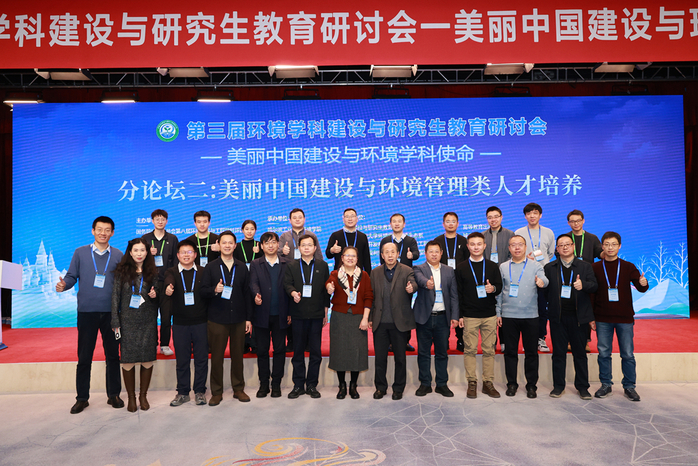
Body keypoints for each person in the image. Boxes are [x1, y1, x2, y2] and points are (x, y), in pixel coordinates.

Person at [56, 216, 125, 414]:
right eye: (99, 229)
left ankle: (114, 395)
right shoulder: (80, 252)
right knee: (84, 356)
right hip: (87, 312)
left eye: (107, 230)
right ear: (93, 231)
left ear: (112, 233)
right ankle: (82, 398)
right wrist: (64, 285)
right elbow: (71, 276)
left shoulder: (118, 254)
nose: (103, 233)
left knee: (113, 356)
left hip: (112, 313)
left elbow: (124, 282)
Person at [592, 231, 649, 402]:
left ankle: (629, 386)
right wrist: (591, 318)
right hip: (602, 318)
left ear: (620, 246)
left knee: (627, 354)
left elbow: (641, 288)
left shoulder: (628, 266)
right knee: (604, 353)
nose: (610, 247)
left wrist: (644, 283)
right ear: (602, 247)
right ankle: (606, 384)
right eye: (607, 244)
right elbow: (591, 294)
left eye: (614, 244)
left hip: (624, 318)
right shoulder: (595, 267)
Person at [200, 231, 253, 406]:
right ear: (219, 245)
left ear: (235, 245)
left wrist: (248, 318)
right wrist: (214, 290)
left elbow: (247, 294)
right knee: (217, 357)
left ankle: (238, 389)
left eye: (231, 243)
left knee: (238, 356)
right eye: (224, 243)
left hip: (238, 318)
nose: (228, 245)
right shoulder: (211, 267)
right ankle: (216, 392)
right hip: (217, 318)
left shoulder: (242, 267)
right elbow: (203, 291)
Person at [544, 234, 598, 400]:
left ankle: (582, 387)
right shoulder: (550, 267)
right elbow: (545, 292)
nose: (565, 247)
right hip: (558, 318)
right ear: (557, 249)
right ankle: (558, 386)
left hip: (579, 318)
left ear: (573, 246)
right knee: (558, 354)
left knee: (580, 354)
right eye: (561, 245)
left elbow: (594, 286)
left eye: (568, 244)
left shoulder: (585, 266)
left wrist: (584, 285)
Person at [496, 235, 548, 398]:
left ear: (525, 247)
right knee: (510, 352)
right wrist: (498, 312)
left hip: (530, 315)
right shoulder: (503, 267)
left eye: (520, 244)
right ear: (509, 248)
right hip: (509, 315)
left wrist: (542, 282)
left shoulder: (535, 265)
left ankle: (531, 385)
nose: (517, 248)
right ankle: (511, 384)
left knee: (531, 352)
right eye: (513, 245)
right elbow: (499, 292)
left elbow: (545, 279)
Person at [111, 238, 159, 412]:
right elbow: (115, 297)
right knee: (128, 360)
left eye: (142, 250)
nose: (139, 254)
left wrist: (155, 295)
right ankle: (131, 397)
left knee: (147, 359)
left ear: (147, 252)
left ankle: (143, 396)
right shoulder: (121, 272)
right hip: (127, 321)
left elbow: (158, 297)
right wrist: (115, 320)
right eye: (136, 250)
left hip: (148, 320)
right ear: (130, 252)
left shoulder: (153, 272)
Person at [456, 232, 503, 399]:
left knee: (489, 350)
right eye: (472, 244)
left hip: (489, 314)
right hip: (469, 315)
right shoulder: (461, 267)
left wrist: (493, 289)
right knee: (469, 350)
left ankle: (488, 383)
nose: (476, 247)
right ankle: (472, 382)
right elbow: (458, 293)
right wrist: (460, 315)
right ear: (468, 246)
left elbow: (499, 286)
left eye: (479, 244)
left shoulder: (492, 266)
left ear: (484, 246)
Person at [283, 234, 331, 399]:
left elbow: (326, 290)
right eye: (303, 245)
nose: (307, 248)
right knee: (298, 351)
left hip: (317, 314)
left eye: (310, 245)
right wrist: (293, 293)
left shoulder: (322, 265)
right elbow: (287, 284)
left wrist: (325, 311)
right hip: (298, 314)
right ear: (299, 248)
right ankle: (298, 385)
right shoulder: (292, 265)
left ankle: (312, 385)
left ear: (315, 247)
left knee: (315, 352)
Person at [162, 240, 208, 407]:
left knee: (201, 359)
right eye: (183, 252)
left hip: (201, 322)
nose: (186, 255)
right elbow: (168, 281)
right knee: (182, 359)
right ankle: (182, 392)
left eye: (190, 252)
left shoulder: (203, 271)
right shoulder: (172, 271)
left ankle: (200, 391)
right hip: (180, 323)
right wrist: (168, 287)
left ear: (195, 255)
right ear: (178, 255)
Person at [369, 242, 417, 400]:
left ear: (398, 254)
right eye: (386, 252)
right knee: (380, 358)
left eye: (393, 252)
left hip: (399, 322)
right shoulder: (375, 272)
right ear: (382, 255)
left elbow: (413, 282)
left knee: (400, 358)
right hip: (380, 322)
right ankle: (380, 387)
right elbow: (371, 296)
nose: (390, 255)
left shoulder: (407, 270)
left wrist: (412, 288)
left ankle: (398, 388)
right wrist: (370, 318)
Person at [325, 246, 374, 399]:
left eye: (353, 256)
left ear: (357, 259)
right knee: (339, 350)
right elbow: (329, 284)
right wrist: (329, 287)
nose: (350, 258)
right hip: (339, 317)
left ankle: (353, 385)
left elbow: (368, 297)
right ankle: (341, 386)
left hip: (358, 317)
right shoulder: (335, 274)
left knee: (356, 351)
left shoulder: (364, 275)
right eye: (347, 255)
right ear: (342, 258)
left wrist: (365, 318)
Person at [413, 241, 458, 397]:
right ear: (425, 254)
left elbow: (454, 295)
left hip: (442, 318)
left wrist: (455, 316)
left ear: (441, 253)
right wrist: (427, 283)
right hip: (424, 318)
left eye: (436, 251)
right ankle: (425, 384)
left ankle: (442, 384)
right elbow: (419, 279)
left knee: (442, 353)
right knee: (423, 353)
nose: (434, 254)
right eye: (430, 251)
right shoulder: (419, 268)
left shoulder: (449, 270)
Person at [249, 232, 291, 398]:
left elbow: (290, 287)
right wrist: (256, 294)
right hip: (261, 314)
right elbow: (253, 283)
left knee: (279, 350)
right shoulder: (255, 263)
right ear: (261, 246)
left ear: (278, 244)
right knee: (262, 351)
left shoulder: (287, 263)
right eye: (267, 243)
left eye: (273, 242)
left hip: (281, 314)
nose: (271, 245)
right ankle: (264, 384)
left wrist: (290, 312)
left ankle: (276, 384)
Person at [514, 203, 555, 353]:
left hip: (543, 274)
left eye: (535, 213)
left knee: (542, 308)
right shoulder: (519, 232)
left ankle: (541, 338)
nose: (532, 216)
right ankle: (528, 340)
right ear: (525, 216)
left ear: (540, 215)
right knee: (526, 308)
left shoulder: (548, 232)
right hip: (524, 274)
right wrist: (526, 258)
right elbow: (516, 251)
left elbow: (550, 253)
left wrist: (539, 262)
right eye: (529, 213)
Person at [379, 213, 419, 352]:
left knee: (405, 309)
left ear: (404, 224)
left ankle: (405, 341)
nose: (397, 224)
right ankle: (390, 342)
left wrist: (412, 255)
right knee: (389, 308)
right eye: (394, 221)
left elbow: (417, 254)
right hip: (388, 278)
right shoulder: (385, 240)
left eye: (399, 221)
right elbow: (381, 260)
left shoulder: (410, 240)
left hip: (405, 278)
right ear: (390, 224)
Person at [141, 209, 178, 356]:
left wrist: (172, 282)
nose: (160, 221)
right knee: (149, 316)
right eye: (157, 219)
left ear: (166, 221)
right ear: (152, 221)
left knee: (166, 316)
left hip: (166, 282)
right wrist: (148, 254)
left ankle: (164, 344)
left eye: (163, 219)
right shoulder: (145, 238)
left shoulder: (172, 238)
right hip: (150, 282)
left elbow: (176, 262)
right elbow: (138, 257)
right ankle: (151, 344)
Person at [566, 209, 604, 353]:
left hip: (587, 278)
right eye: (572, 221)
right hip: (568, 278)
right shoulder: (566, 238)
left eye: (578, 220)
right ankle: (569, 341)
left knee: (586, 310)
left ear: (583, 221)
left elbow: (600, 253)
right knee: (569, 310)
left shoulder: (592, 238)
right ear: (568, 223)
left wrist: (608, 251)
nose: (576, 223)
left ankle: (585, 341)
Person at [433, 212, 468, 352]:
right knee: (444, 308)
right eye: (448, 221)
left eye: (453, 221)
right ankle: (444, 339)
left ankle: (461, 339)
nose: (451, 224)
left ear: (458, 224)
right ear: (443, 224)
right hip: (442, 279)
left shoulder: (463, 241)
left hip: (460, 280)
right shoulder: (438, 241)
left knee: (459, 308)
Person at [233, 219, 262, 355]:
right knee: (243, 312)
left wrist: (260, 252)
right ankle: (244, 342)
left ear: (255, 231)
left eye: (252, 229)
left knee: (257, 313)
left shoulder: (260, 245)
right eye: (247, 229)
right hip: (242, 282)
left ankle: (255, 343)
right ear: (242, 230)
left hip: (258, 282)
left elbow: (265, 261)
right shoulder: (237, 246)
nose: (249, 231)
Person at [326, 208, 372, 275]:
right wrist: (332, 250)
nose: (350, 219)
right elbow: (328, 255)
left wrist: (369, 276)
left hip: (358, 274)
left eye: (352, 216)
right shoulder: (335, 235)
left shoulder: (362, 236)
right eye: (347, 217)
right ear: (343, 219)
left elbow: (366, 259)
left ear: (357, 219)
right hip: (340, 274)